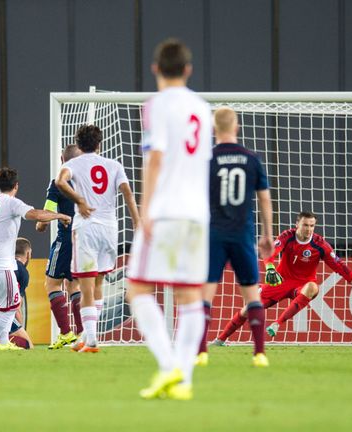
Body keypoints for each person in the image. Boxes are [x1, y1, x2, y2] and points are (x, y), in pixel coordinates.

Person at [125, 38, 212, 401]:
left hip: (165, 210)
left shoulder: (157, 105)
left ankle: (168, 365)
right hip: (197, 213)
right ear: (188, 69)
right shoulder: (203, 108)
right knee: (190, 295)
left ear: (156, 69)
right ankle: (185, 380)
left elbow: (156, 157)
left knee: (137, 287)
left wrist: (145, 208)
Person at [213, 211, 352, 344]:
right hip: (280, 281)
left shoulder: (320, 245)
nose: (308, 229)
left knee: (313, 287)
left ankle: (278, 324)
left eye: (312, 226)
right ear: (297, 225)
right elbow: (270, 253)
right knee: (247, 310)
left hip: (302, 284)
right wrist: (270, 268)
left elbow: (342, 269)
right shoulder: (287, 236)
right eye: (305, 225)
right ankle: (220, 340)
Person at [196, 107, 274, 368]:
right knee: (251, 293)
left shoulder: (206, 159)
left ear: (213, 129)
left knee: (205, 294)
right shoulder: (252, 158)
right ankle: (259, 354)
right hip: (242, 234)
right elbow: (264, 197)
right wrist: (268, 234)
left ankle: (201, 353)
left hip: (214, 233)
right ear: (236, 127)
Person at [56, 125, 140, 353]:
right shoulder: (114, 165)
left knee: (85, 287)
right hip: (110, 229)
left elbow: (60, 182)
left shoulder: (72, 164)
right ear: (99, 143)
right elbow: (127, 193)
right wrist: (136, 221)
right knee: (99, 283)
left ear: (79, 143)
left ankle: (91, 339)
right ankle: (87, 335)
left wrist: (80, 201)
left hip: (87, 228)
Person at [0, 167, 70, 350]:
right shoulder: (12, 203)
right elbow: (37, 215)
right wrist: (59, 215)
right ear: (16, 186)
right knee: (12, 305)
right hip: (0, 266)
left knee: (4, 306)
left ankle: (4, 343)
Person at [36, 144, 84, 349]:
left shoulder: (57, 183)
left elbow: (46, 215)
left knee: (52, 284)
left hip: (65, 241)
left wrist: (41, 224)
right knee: (75, 286)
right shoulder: (86, 182)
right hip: (85, 242)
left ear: (62, 160)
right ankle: (84, 333)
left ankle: (65, 333)